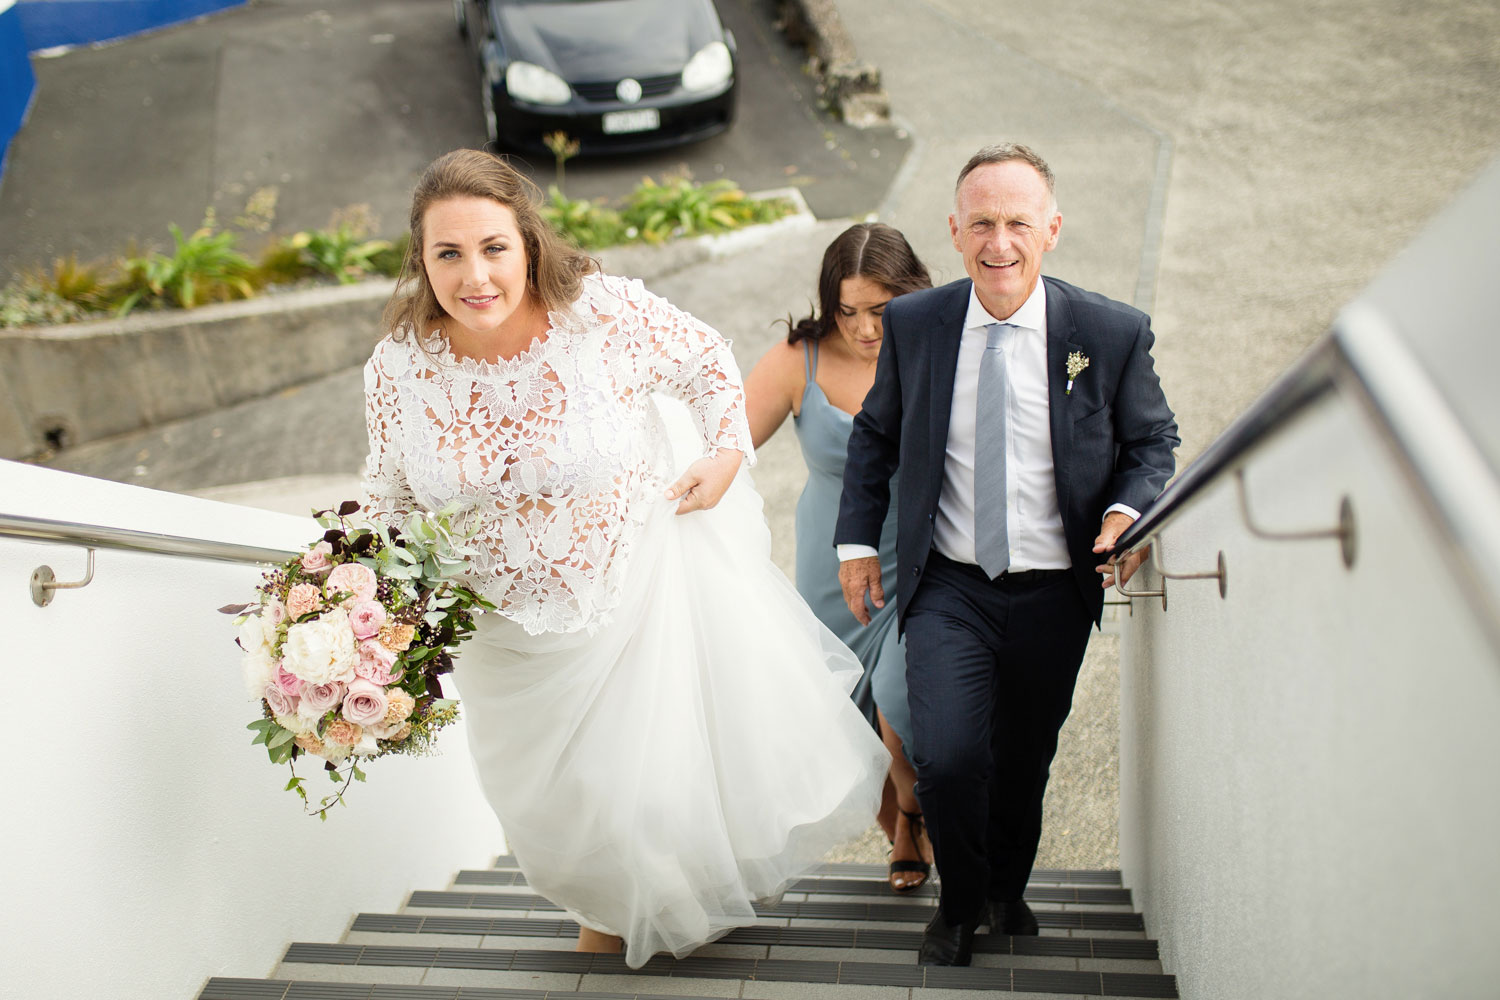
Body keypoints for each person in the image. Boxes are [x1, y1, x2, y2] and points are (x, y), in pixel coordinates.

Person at [361, 148, 889, 967]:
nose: (476, 275)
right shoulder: (397, 370)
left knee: (637, 796)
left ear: (528, 242)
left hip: (636, 590)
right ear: (421, 259)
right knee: (558, 814)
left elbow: (708, 363)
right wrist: (376, 607)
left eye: (494, 247)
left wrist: (722, 454)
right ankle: (609, 911)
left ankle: (627, 932)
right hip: (502, 637)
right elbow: (392, 496)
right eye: (448, 254)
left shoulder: (599, 313)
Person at [836, 144, 1179, 966]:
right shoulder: (917, 324)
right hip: (951, 583)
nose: (1000, 243)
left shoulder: (1108, 332)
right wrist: (856, 542)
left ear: (1051, 229)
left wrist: (1129, 510)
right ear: (954, 230)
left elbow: (1152, 440)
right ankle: (957, 904)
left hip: (1055, 589)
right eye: (982, 223)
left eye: (1018, 222)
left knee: (1024, 759)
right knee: (949, 758)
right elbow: (877, 434)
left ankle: (1005, 890)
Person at [743, 223, 935, 893]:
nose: (863, 328)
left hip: (920, 557)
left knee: (901, 698)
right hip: (834, 568)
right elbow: (726, 444)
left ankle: (916, 806)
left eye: (879, 311)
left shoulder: (936, 346)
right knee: (848, 714)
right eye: (847, 311)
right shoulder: (802, 360)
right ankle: (903, 830)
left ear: (908, 294)